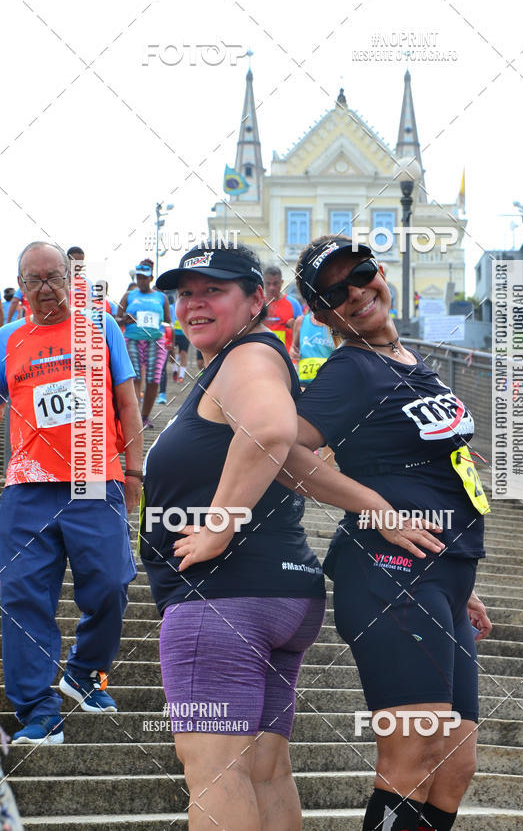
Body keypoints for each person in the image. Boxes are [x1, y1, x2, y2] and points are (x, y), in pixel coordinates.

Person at [277, 236, 492, 831]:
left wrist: (459, 576)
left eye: (363, 273)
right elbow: (282, 451)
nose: (356, 291)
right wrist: (375, 507)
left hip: (441, 576)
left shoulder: (410, 364)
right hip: (387, 576)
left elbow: (441, 472)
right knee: (412, 756)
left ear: (381, 273)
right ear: (322, 315)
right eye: (335, 291)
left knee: (454, 764)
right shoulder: (352, 369)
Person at [139, 244, 326, 830]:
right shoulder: (240, 362)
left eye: (212, 290)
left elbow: (273, 430)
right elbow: (303, 461)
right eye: (185, 293)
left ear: (256, 300)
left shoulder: (248, 357)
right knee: (265, 771)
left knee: (215, 773)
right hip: (276, 595)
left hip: (222, 602)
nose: (194, 303)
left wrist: (218, 528)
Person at [0, 241, 142, 745]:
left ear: (71, 279)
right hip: (27, 485)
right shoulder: (6, 339)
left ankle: (85, 672)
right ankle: (39, 712)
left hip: (93, 478)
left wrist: (135, 472)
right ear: (20, 288)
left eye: (53, 278)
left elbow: (128, 403)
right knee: (20, 596)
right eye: (33, 280)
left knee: (110, 583)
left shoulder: (100, 328)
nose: (45, 290)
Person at [117, 259, 171, 429]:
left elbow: (168, 321)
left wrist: (171, 342)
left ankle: (145, 416)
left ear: (150, 278)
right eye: (138, 277)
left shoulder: (161, 297)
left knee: (153, 379)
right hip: (132, 338)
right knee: (135, 378)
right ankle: (133, 416)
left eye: (144, 278)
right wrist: (125, 319)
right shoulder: (129, 295)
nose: (141, 281)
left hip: (155, 340)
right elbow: (117, 319)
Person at [290, 308, 336, 387]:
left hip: (327, 382)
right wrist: (293, 352)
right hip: (303, 382)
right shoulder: (301, 321)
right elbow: (293, 348)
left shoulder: (335, 324)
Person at [263, 265, 302, 351]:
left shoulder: (293, 304)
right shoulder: (258, 304)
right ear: (263, 283)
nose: (271, 287)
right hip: (263, 353)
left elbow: (302, 332)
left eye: (275, 283)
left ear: (282, 282)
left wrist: (294, 326)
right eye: (268, 284)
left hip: (286, 356)